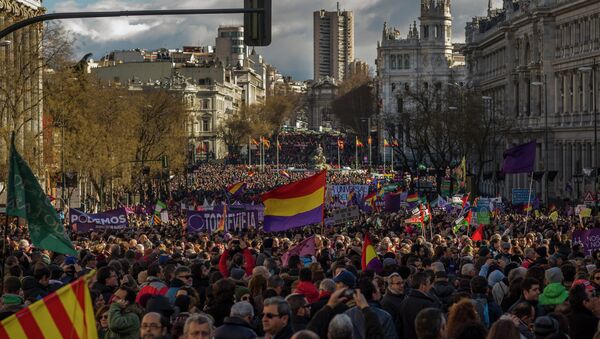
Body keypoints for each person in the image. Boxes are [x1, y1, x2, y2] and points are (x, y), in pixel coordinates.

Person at [399, 272, 440, 339]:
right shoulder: (427, 304)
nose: (431, 286)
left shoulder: (404, 302)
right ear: (423, 286)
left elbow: (399, 327)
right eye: (429, 284)